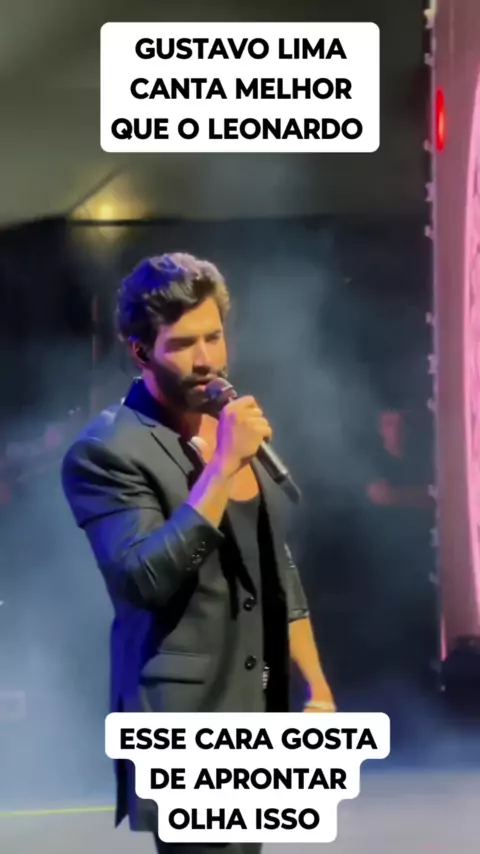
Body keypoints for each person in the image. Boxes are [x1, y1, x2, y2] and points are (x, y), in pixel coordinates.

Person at [61, 252, 335, 854]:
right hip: (184, 719)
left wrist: (315, 685)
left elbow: (275, 566)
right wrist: (222, 466)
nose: (207, 359)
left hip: (255, 709)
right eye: (183, 344)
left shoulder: (229, 428)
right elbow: (145, 579)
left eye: (213, 336)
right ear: (140, 351)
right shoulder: (106, 452)